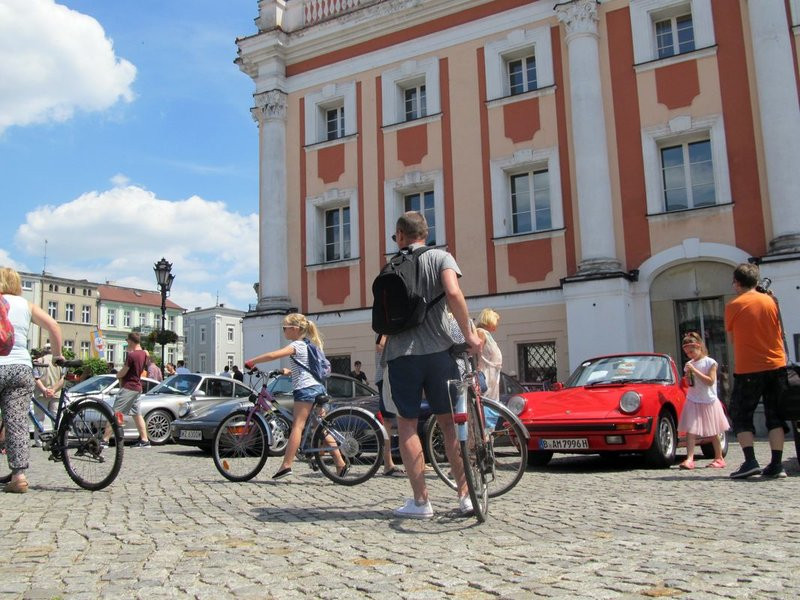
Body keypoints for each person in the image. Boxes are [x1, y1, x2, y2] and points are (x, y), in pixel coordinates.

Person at [384, 211, 481, 519]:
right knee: (450, 424)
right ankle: (465, 496)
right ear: (426, 233)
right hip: (440, 352)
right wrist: (469, 334)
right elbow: (452, 292)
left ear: (400, 235)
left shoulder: (392, 265)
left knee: (408, 426)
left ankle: (421, 502)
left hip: (402, 354)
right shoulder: (442, 257)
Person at [244, 313, 347, 480]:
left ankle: (286, 465)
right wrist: (288, 372)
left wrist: (252, 361)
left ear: (294, 329)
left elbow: (273, 355)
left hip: (305, 390)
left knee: (297, 426)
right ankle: (340, 463)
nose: (283, 330)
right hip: (318, 388)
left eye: (285, 328)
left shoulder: (297, 345)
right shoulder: (309, 345)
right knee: (320, 428)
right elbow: (306, 369)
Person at [0, 267, 64, 493]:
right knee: (17, 423)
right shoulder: (25, 305)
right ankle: (18, 477)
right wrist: (56, 356)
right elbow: (54, 326)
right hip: (20, 367)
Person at [725, 263, 788, 479]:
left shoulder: (734, 305)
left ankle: (750, 460)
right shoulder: (771, 301)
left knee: (740, 413)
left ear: (737, 282)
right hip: (777, 365)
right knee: (775, 415)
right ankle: (777, 464)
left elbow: (733, 337)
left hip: (749, 367)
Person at [676, 332, 730, 470]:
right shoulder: (689, 364)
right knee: (691, 430)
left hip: (708, 400)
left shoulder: (710, 363)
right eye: (687, 353)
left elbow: (710, 381)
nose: (690, 355)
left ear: (699, 347)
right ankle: (689, 458)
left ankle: (719, 457)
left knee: (713, 431)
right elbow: (690, 384)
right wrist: (688, 377)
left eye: (691, 351)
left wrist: (695, 371)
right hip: (693, 399)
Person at [103, 332, 151, 448]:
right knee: (137, 414)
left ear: (130, 341)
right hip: (137, 387)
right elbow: (146, 360)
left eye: (127, 341)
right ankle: (144, 440)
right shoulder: (144, 354)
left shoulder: (132, 355)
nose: (127, 343)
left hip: (129, 387)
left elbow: (124, 371)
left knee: (115, 413)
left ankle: (104, 440)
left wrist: (117, 375)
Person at [375, 335, 404, 477]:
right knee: (390, 419)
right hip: (388, 374)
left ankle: (391, 462)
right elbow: (380, 346)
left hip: (391, 374)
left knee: (403, 417)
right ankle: (388, 463)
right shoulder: (387, 324)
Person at [30, 345, 65, 447]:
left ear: (43, 351)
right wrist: (53, 390)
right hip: (56, 393)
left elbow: (35, 378)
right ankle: (59, 440)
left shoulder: (38, 361)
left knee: (39, 418)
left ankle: (39, 442)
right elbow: (63, 378)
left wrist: (45, 390)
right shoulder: (60, 362)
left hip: (41, 393)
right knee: (57, 418)